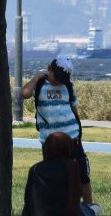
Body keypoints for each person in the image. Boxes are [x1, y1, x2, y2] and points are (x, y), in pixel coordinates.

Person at [21, 56, 96, 207]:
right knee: (53, 175)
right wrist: (36, 77)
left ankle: (89, 206)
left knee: (82, 174)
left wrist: (78, 129)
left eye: (63, 79)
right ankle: (55, 205)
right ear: (49, 69)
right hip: (50, 141)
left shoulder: (68, 86)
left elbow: (73, 108)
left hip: (72, 137)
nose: (59, 82)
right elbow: (25, 93)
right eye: (58, 78)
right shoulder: (40, 84)